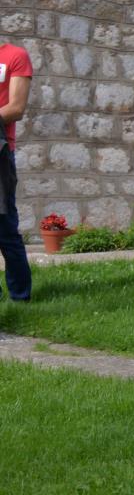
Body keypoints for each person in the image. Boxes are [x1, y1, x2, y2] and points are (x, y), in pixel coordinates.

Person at [0, 38, 33, 302]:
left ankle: (20, 295)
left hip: (0, 151)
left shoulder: (15, 55)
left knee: (4, 226)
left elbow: (16, 108)